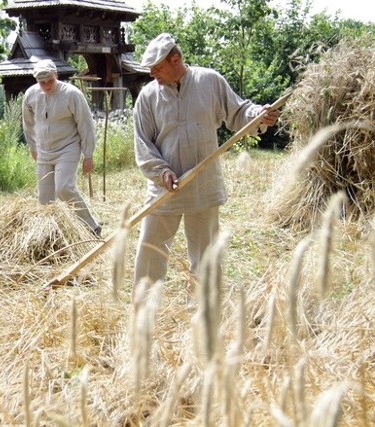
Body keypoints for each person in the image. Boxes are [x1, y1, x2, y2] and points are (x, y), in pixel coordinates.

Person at [132, 33, 280, 289]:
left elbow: (238, 111)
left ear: (175, 60)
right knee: (150, 249)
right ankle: (143, 306)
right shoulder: (147, 97)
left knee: (205, 254)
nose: (151, 74)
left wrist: (258, 115)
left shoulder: (209, 81)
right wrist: (162, 173)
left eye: (157, 67)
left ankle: (201, 310)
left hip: (203, 185)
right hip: (164, 189)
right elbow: (143, 144)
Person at [22, 59, 101, 237]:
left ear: (56, 75)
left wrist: (88, 154)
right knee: (45, 198)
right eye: (42, 83)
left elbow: (85, 124)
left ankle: (91, 227)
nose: (47, 86)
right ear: (37, 81)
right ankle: (52, 236)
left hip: (68, 147)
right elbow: (27, 123)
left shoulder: (72, 94)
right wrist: (32, 145)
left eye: (50, 81)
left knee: (64, 187)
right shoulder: (31, 95)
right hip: (44, 149)